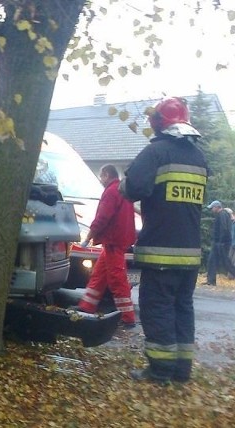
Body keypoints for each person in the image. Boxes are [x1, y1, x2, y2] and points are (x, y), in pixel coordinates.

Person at [120, 97, 208, 384]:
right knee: (182, 309)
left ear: (158, 122)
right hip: (190, 255)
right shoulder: (198, 157)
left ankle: (160, 372)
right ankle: (182, 371)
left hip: (160, 254)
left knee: (157, 308)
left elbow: (132, 188)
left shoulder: (156, 152)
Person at [75, 164, 136, 328]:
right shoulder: (123, 190)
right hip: (119, 240)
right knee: (99, 275)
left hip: (113, 241)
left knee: (117, 278)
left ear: (107, 175)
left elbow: (102, 217)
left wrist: (89, 237)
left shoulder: (110, 191)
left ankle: (127, 317)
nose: (101, 180)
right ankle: (86, 306)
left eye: (101, 176)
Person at [205, 200, 235, 285]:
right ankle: (211, 281)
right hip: (218, 242)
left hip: (221, 243)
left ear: (217, 207)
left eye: (212, 208)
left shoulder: (222, 214)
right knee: (212, 261)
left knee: (226, 263)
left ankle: (211, 281)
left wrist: (221, 242)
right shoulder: (221, 214)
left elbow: (224, 229)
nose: (211, 210)